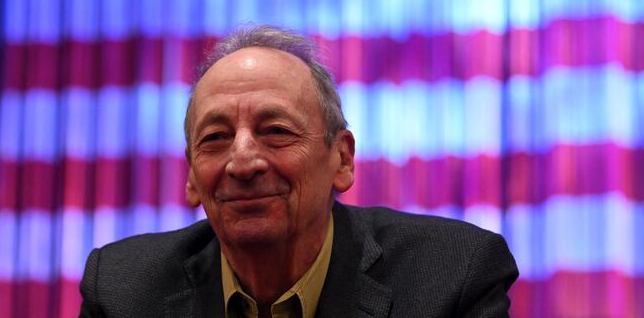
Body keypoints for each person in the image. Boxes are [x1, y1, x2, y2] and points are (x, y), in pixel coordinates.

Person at [79, 25, 518, 317]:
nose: (243, 161)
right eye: (214, 138)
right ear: (192, 176)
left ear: (342, 159)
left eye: (276, 131)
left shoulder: (450, 279)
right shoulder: (122, 292)